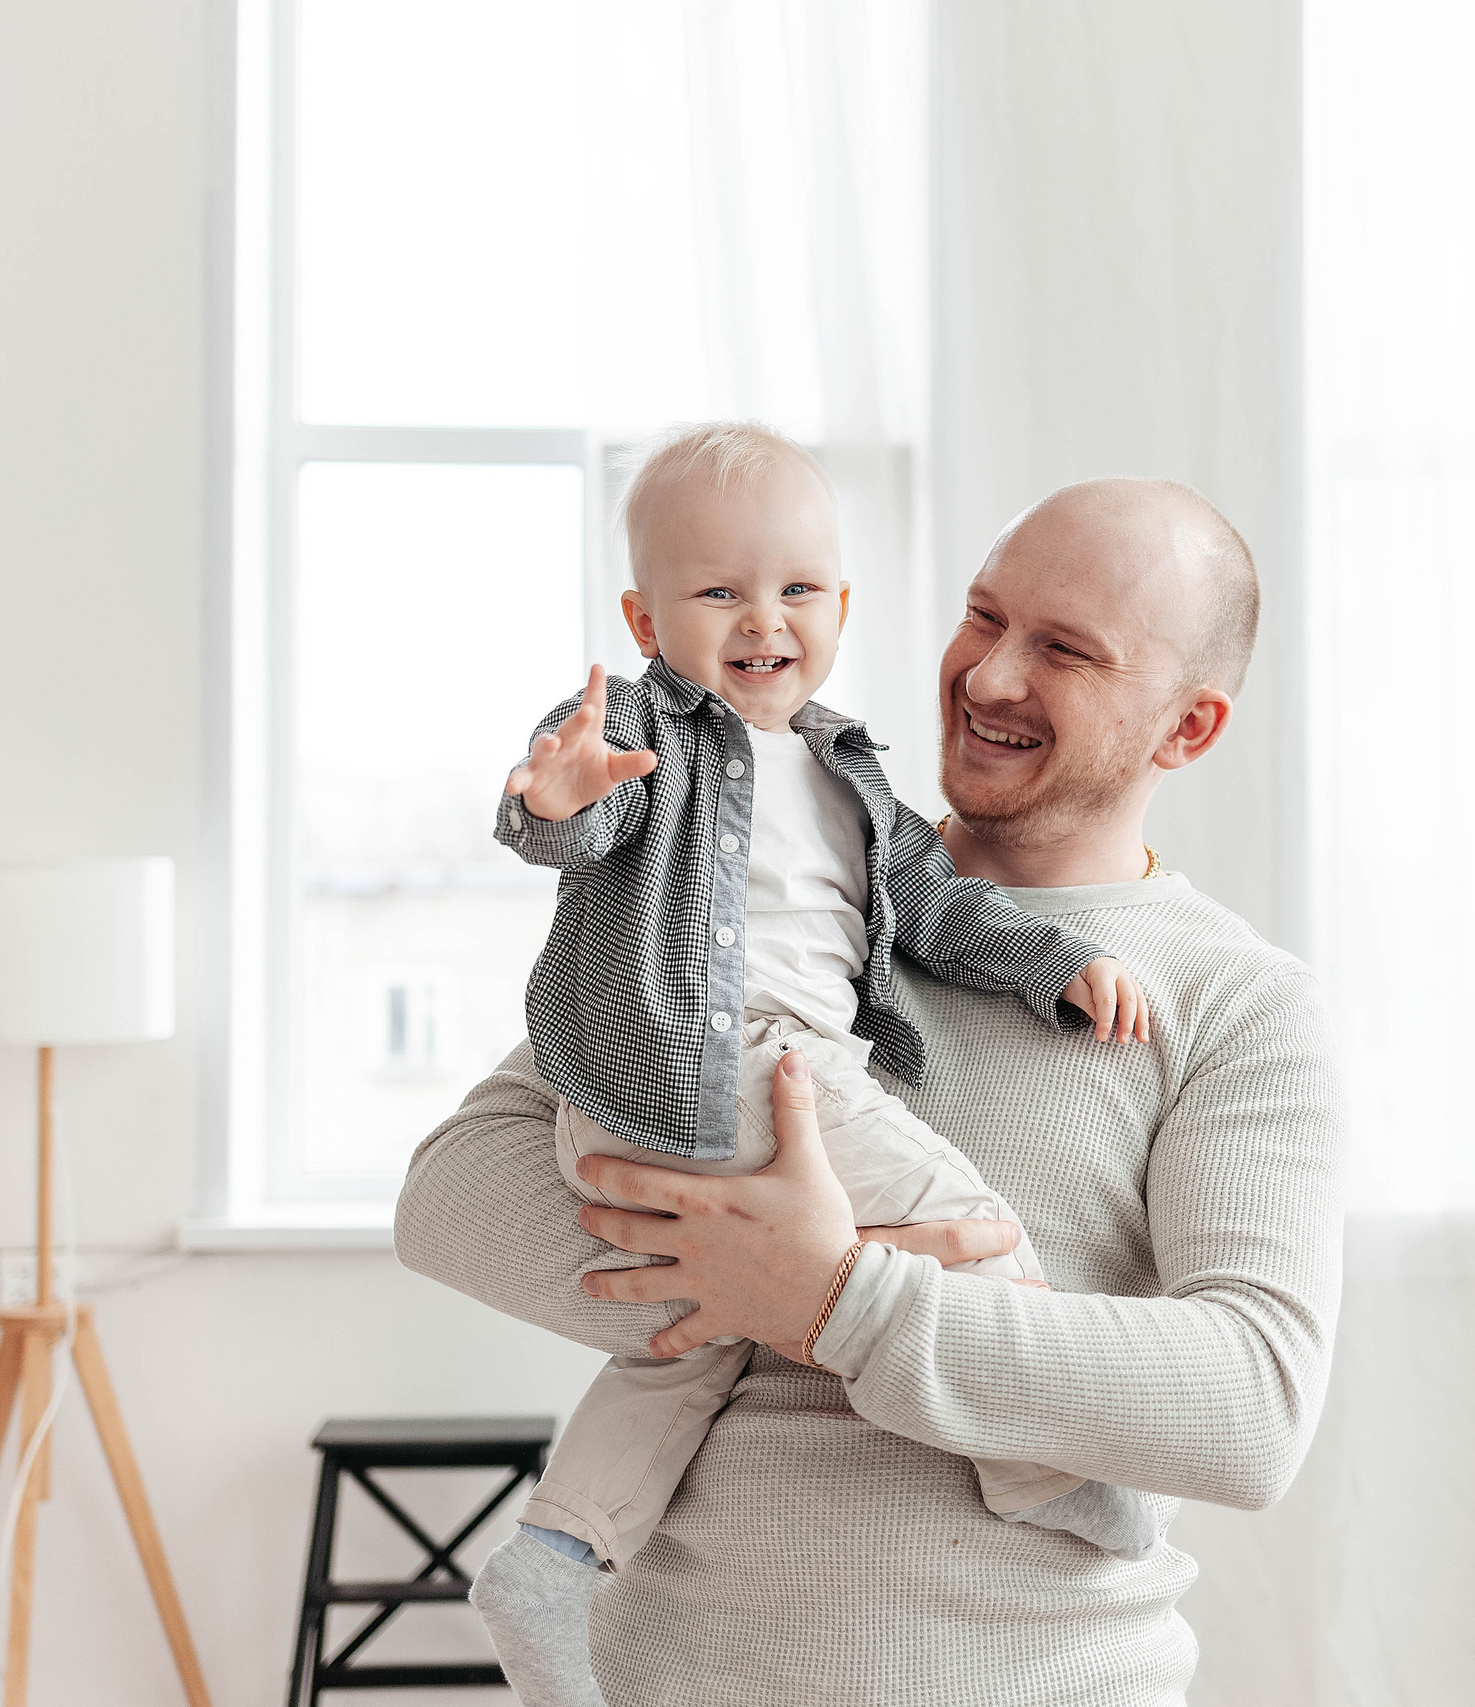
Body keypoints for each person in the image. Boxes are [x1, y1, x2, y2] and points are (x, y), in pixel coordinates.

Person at [398, 474, 1344, 1707]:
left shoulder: (1237, 1001)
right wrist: (764, 1283)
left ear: (1188, 729)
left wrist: (833, 1298)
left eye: (1063, 650)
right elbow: (451, 1199)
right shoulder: (754, 895)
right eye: (983, 615)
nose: (991, 676)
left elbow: (1246, 1405)